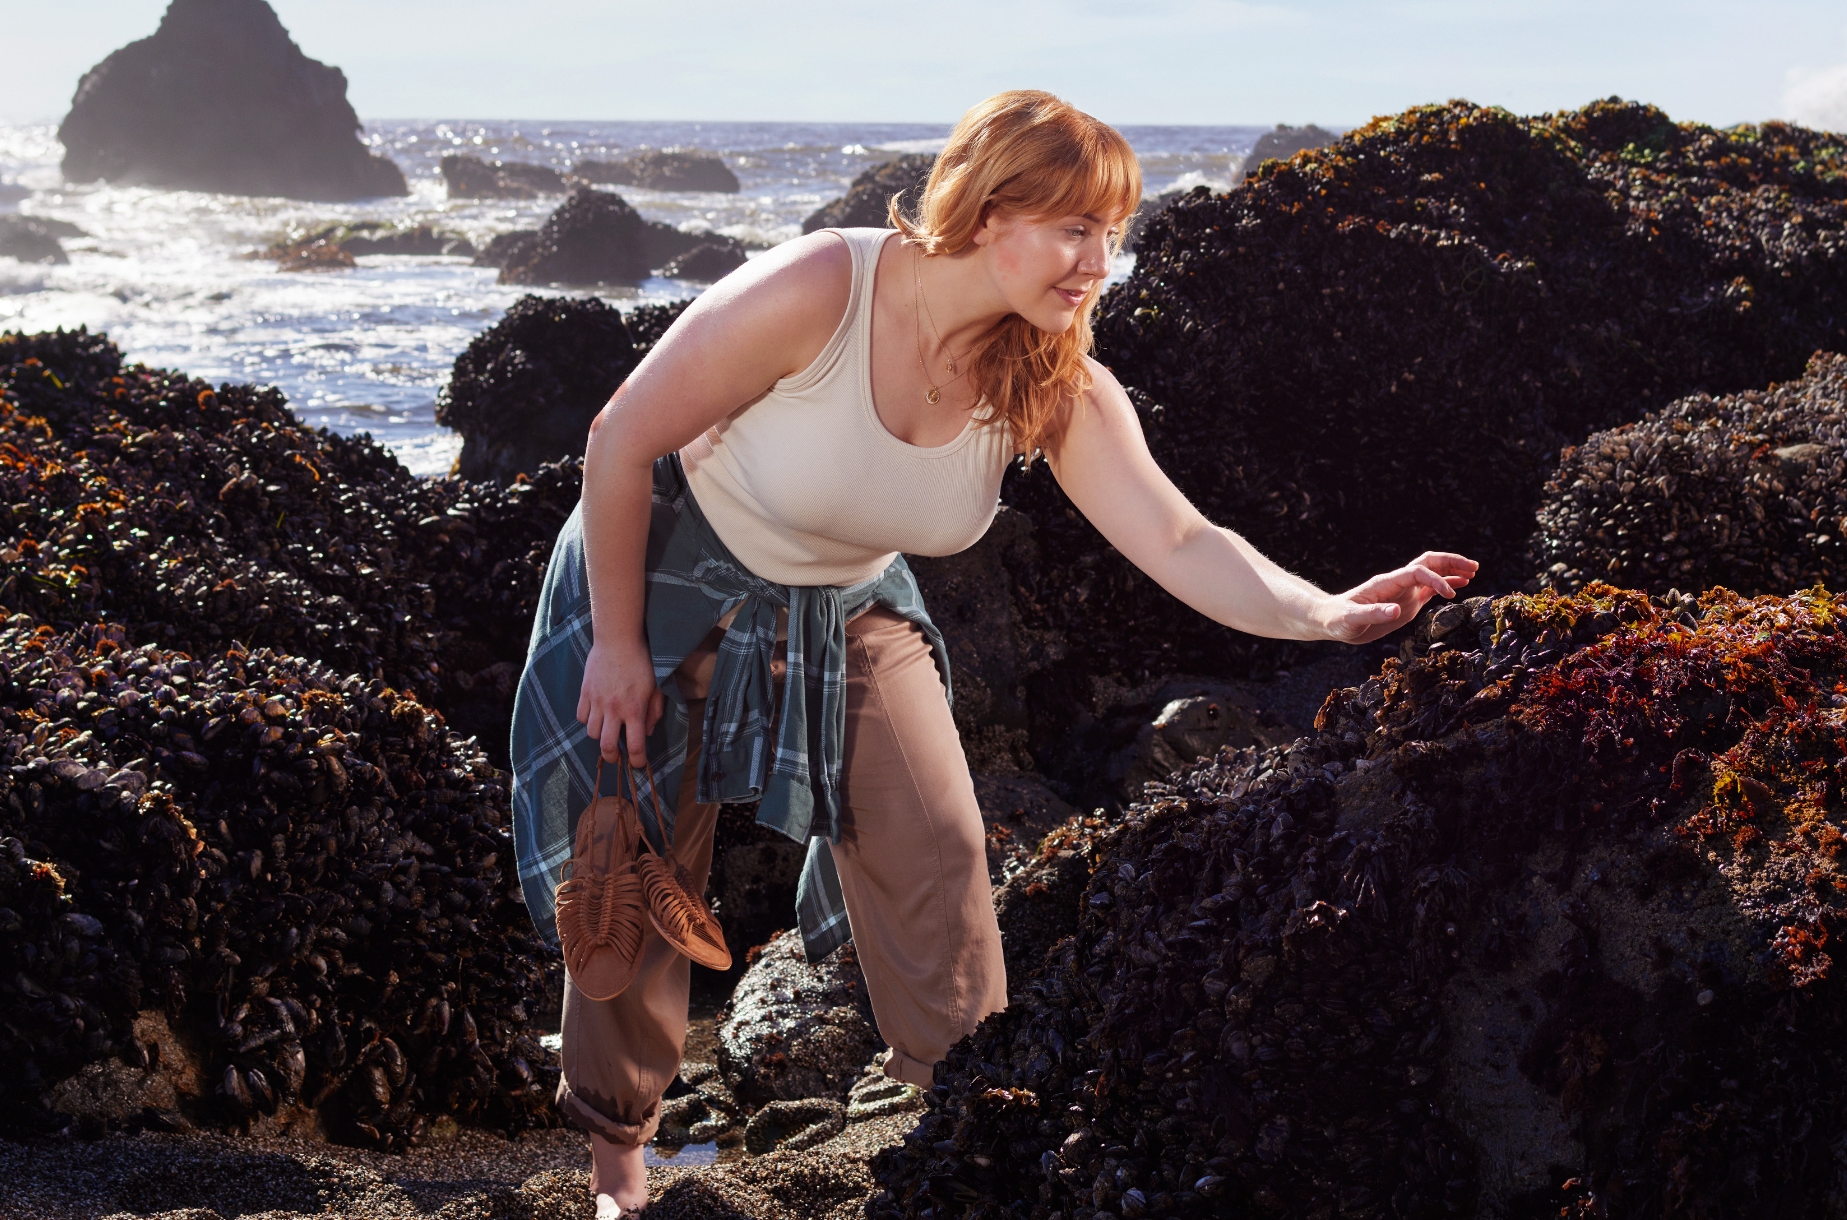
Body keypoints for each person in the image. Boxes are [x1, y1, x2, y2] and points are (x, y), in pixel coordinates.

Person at [505, 91, 1478, 1217]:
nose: (1097, 264)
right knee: (633, 874)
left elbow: (1177, 536)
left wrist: (1326, 614)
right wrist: (617, 643)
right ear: (987, 209)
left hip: (846, 598)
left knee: (940, 839)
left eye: (1112, 235)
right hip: (666, 566)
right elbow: (620, 436)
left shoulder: (1050, 377)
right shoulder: (825, 287)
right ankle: (620, 1160)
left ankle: (951, 1124)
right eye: (1076, 229)